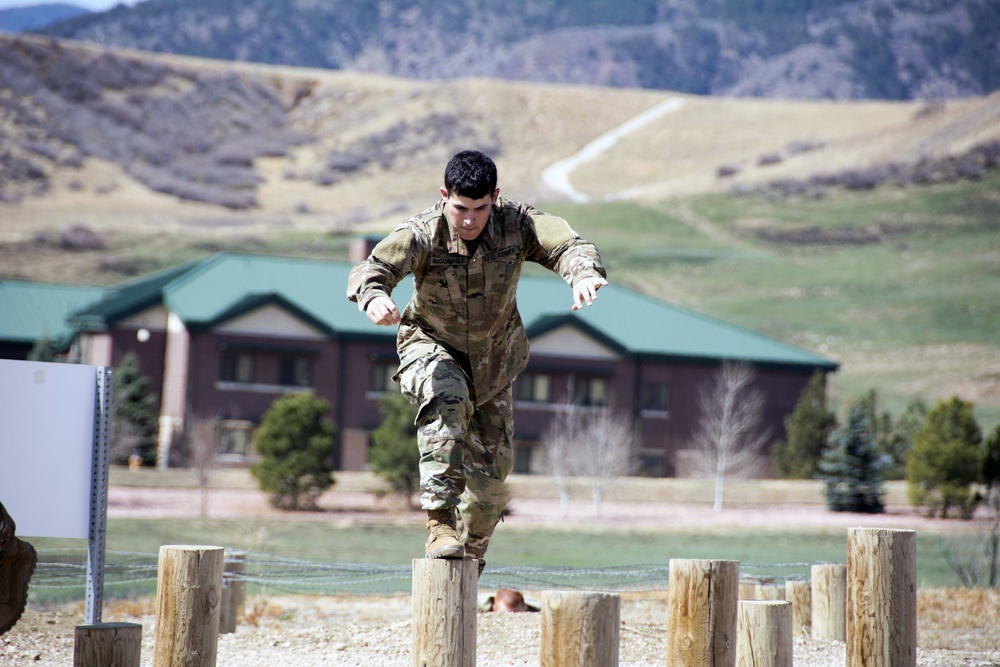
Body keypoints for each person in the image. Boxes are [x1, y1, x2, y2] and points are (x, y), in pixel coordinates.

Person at [347, 150, 607, 574]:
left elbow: (567, 245)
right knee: (446, 398)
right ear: (444, 195)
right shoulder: (422, 233)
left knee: (489, 490)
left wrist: (582, 274)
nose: (469, 220)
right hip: (430, 347)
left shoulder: (516, 223)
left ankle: (467, 562)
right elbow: (371, 269)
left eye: (480, 209)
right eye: (460, 208)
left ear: (495, 198)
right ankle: (439, 523)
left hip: (495, 363)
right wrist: (374, 297)